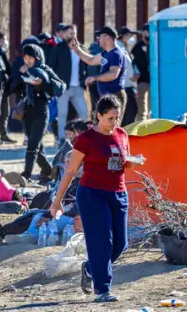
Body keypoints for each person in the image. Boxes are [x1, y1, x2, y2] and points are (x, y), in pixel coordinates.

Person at [50, 95, 136, 302]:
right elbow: (71, 171)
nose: (115, 123)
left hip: (119, 193)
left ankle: (89, 268)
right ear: (99, 116)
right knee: (102, 243)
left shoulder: (122, 134)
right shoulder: (86, 138)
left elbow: (124, 163)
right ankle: (103, 290)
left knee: (121, 244)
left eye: (117, 118)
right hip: (92, 194)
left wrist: (132, 163)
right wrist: (57, 200)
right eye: (110, 118)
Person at [9, 43, 65, 183]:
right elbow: (13, 87)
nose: (27, 61)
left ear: (37, 57)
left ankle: (26, 175)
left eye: (30, 58)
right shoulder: (23, 69)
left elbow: (58, 87)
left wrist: (41, 82)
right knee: (36, 146)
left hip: (41, 111)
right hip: (27, 112)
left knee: (32, 145)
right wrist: (20, 74)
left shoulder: (44, 69)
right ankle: (48, 170)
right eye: (25, 58)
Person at [72, 26, 128, 117]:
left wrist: (95, 78)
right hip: (107, 95)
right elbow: (91, 60)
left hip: (115, 95)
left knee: (111, 128)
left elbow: (113, 74)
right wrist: (77, 49)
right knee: (103, 127)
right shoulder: (106, 53)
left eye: (100, 37)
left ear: (107, 37)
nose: (98, 40)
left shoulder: (116, 54)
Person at [47, 24, 89, 144]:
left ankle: (82, 138)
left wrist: (85, 81)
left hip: (78, 87)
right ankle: (62, 140)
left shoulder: (80, 48)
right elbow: (51, 67)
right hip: (64, 88)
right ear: (64, 35)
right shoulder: (58, 48)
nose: (73, 36)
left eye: (74, 33)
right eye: (70, 33)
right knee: (62, 114)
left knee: (83, 113)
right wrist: (54, 85)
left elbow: (86, 64)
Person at [116, 26, 139, 126]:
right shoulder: (120, 48)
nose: (131, 38)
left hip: (129, 85)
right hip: (125, 85)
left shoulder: (126, 48)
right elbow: (127, 66)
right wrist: (133, 79)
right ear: (122, 36)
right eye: (129, 36)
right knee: (129, 112)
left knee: (131, 111)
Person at [131, 24, 151, 121]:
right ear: (142, 33)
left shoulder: (155, 45)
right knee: (142, 109)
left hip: (154, 82)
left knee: (152, 109)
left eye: (149, 31)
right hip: (141, 81)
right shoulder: (137, 47)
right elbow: (133, 63)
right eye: (146, 31)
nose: (148, 33)